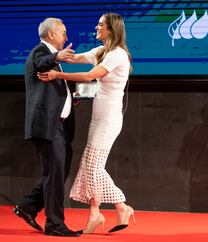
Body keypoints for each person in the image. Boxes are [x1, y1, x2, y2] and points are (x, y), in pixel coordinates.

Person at [38, 13, 135, 234]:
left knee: (93, 166)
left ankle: (122, 206)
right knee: (88, 164)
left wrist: (57, 76)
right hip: (98, 116)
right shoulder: (101, 52)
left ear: (111, 29)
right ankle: (95, 213)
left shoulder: (117, 55)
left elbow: (90, 76)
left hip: (110, 118)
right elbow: (74, 59)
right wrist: (59, 55)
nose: (96, 27)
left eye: (100, 25)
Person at [12, 17, 80, 237]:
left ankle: (28, 206)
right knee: (54, 175)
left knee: (56, 175)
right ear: (51, 34)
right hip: (47, 128)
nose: (66, 37)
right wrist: (57, 56)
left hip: (59, 128)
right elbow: (41, 63)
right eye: (63, 32)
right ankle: (55, 225)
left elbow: (53, 88)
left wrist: (72, 97)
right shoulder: (39, 53)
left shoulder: (52, 59)